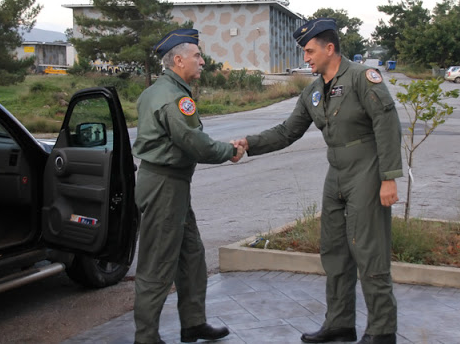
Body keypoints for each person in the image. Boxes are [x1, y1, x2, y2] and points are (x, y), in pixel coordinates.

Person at [236, 18, 402, 344]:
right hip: (336, 174)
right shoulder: (313, 92)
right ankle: (339, 323)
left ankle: (382, 330)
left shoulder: (360, 78)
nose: (306, 58)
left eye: (310, 51)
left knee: (369, 252)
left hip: (367, 172)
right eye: (305, 52)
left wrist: (389, 178)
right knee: (334, 252)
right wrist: (249, 142)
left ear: (330, 48)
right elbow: (287, 132)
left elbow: (387, 124)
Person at [132, 29, 244, 344]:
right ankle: (146, 336)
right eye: (197, 55)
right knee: (157, 264)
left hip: (172, 185)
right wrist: (230, 151)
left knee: (191, 256)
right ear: (178, 60)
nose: (202, 61)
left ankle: (193, 323)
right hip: (165, 186)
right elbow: (195, 143)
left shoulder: (157, 91)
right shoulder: (174, 98)